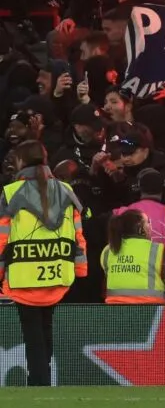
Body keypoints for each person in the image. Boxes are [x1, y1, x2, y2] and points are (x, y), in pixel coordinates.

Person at [0, 142, 89, 386]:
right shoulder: (66, 190)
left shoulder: (10, 192)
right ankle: (42, 379)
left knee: (32, 334)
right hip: (58, 272)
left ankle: (38, 381)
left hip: (23, 275)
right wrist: (81, 269)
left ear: (20, 161)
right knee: (45, 329)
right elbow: (78, 235)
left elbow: (2, 237)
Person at [100, 207, 165, 304]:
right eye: (148, 223)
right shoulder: (157, 250)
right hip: (152, 312)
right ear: (141, 228)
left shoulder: (108, 250)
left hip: (116, 313)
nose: (151, 227)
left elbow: (105, 286)